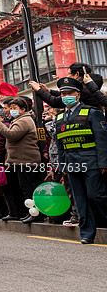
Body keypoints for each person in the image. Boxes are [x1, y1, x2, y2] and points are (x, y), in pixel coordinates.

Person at [53, 77, 107, 244]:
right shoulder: (59, 118)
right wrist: (62, 165)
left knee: (95, 195)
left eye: (69, 93)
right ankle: (87, 233)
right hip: (71, 163)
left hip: (91, 162)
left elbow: (102, 141)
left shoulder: (92, 113)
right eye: (63, 94)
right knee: (80, 199)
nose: (65, 97)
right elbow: (60, 145)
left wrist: (103, 163)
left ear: (78, 95)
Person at [0, 96, 43, 223]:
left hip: (27, 160)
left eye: (14, 108)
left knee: (29, 188)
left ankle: (36, 213)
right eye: (11, 108)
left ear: (23, 109)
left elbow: (12, 135)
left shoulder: (24, 120)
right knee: (23, 188)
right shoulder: (19, 119)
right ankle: (29, 212)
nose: (12, 110)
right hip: (20, 160)